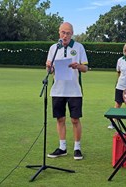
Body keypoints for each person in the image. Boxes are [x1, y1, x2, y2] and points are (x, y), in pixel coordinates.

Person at [46, 22, 88, 160]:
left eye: (68, 33)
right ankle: (62, 147)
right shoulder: (53, 48)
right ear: (59, 32)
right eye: (63, 32)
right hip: (57, 89)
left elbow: (86, 68)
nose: (65, 35)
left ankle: (77, 147)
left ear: (72, 34)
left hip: (74, 90)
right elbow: (50, 70)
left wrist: (78, 66)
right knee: (60, 119)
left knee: (75, 119)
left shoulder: (79, 47)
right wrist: (49, 68)